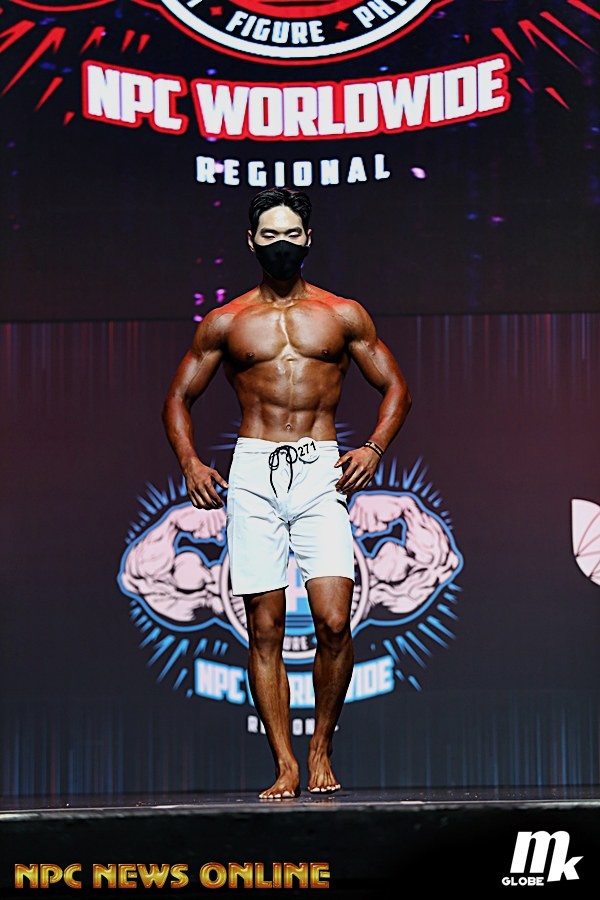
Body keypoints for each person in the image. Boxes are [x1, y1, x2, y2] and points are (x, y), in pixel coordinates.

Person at [162, 187, 412, 799]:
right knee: (265, 627)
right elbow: (178, 398)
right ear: (252, 242)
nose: (280, 244)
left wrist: (373, 447)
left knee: (334, 621)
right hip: (253, 471)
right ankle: (285, 764)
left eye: (290, 234)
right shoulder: (226, 322)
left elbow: (397, 388)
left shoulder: (343, 315)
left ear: (307, 239)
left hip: (321, 469)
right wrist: (190, 462)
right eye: (269, 234)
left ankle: (321, 745)